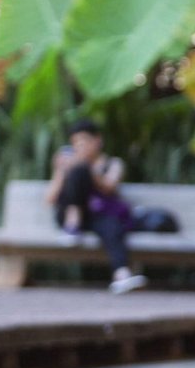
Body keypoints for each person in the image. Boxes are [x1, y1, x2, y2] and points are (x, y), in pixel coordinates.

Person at [44, 119, 147, 294]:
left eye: (83, 141)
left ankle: (122, 274)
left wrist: (87, 168)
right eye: (75, 142)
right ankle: (73, 218)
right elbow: (50, 199)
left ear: (97, 140)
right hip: (68, 216)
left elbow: (109, 187)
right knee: (78, 172)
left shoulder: (113, 163)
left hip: (97, 216)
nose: (79, 146)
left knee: (112, 226)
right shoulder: (68, 164)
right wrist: (61, 170)